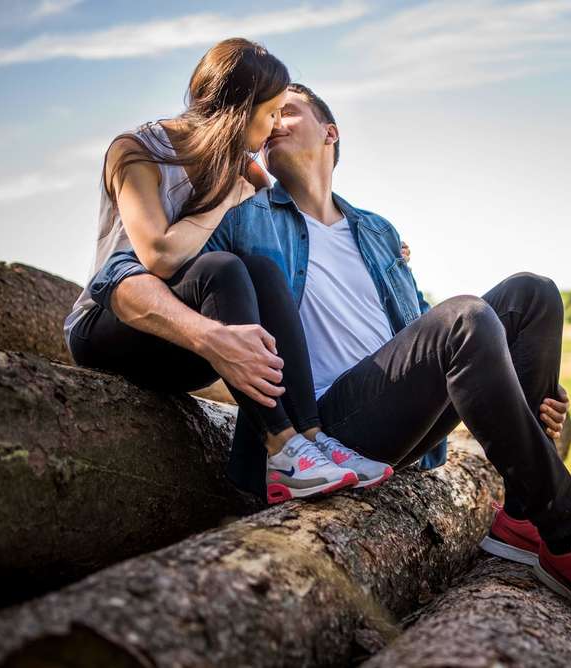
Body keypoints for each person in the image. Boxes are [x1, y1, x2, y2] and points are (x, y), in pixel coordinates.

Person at [93, 82, 571, 636]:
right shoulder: (241, 214)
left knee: (531, 293)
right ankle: (567, 539)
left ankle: (521, 515)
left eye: (286, 111)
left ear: (330, 133)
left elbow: (424, 327)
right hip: (323, 426)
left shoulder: (376, 230)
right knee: (464, 316)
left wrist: (519, 390)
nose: (269, 124)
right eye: (265, 114)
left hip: (395, 414)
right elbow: (138, 273)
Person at [64, 39, 393, 505]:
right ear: (244, 111)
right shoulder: (138, 150)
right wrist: (226, 197)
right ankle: (280, 448)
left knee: (258, 267)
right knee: (222, 267)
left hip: (192, 350)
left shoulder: (241, 169)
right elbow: (156, 255)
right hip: (114, 326)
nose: (276, 124)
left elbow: (296, 217)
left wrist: (381, 245)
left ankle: (312, 438)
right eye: (273, 112)